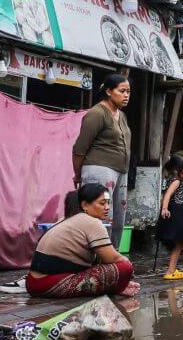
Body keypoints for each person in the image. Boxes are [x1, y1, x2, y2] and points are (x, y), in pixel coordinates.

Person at [27, 182, 138, 298]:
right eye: (102, 203)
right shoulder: (92, 222)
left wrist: (119, 283)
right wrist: (127, 271)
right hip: (45, 283)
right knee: (125, 267)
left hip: (33, 281)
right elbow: (113, 258)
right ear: (85, 205)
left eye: (108, 203)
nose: (107, 207)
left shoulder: (66, 219)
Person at [73, 73, 132, 247]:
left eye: (128, 91)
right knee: (103, 216)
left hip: (120, 171)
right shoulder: (97, 113)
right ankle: (97, 257)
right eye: (122, 91)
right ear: (108, 91)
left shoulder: (121, 116)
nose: (126, 95)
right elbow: (79, 149)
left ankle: (112, 256)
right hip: (99, 169)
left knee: (119, 218)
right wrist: (77, 175)